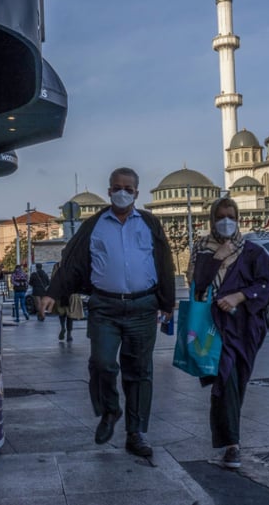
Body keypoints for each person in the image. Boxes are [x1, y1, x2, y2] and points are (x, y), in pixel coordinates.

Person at [39, 167, 175, 458]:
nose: (122, 192)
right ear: (109, 190)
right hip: (105, 306)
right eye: (116, 187)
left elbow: (164, 263)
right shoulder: (95, 224)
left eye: (128, 188)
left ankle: (136, 432)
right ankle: (110, 410)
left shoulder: (150, 224)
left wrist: (167, 302)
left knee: (139, 371)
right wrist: (52, 293)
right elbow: (72, 261)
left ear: (136, 193)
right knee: (102, 363)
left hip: (143, 306)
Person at [187, 197, 269, 469]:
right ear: (212, 219)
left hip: (245, 328)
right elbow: (197, 285)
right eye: (221, 216)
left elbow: (265, 283)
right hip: (213, 326)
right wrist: (216, 258)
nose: (226, 221)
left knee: (235, 380)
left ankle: (230, 440)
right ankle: (232, 446)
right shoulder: (202, 250)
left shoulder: (252, 252)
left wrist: (239, 296)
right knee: (225, 379)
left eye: (231, 216)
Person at [49, 262, 76, 341]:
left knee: (61, 313)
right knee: (70, 315)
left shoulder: (57, 265)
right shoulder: (74, 265)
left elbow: (53, 279)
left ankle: (63, 327)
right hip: (71, 293)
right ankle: (69, 334)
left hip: (60, 293)